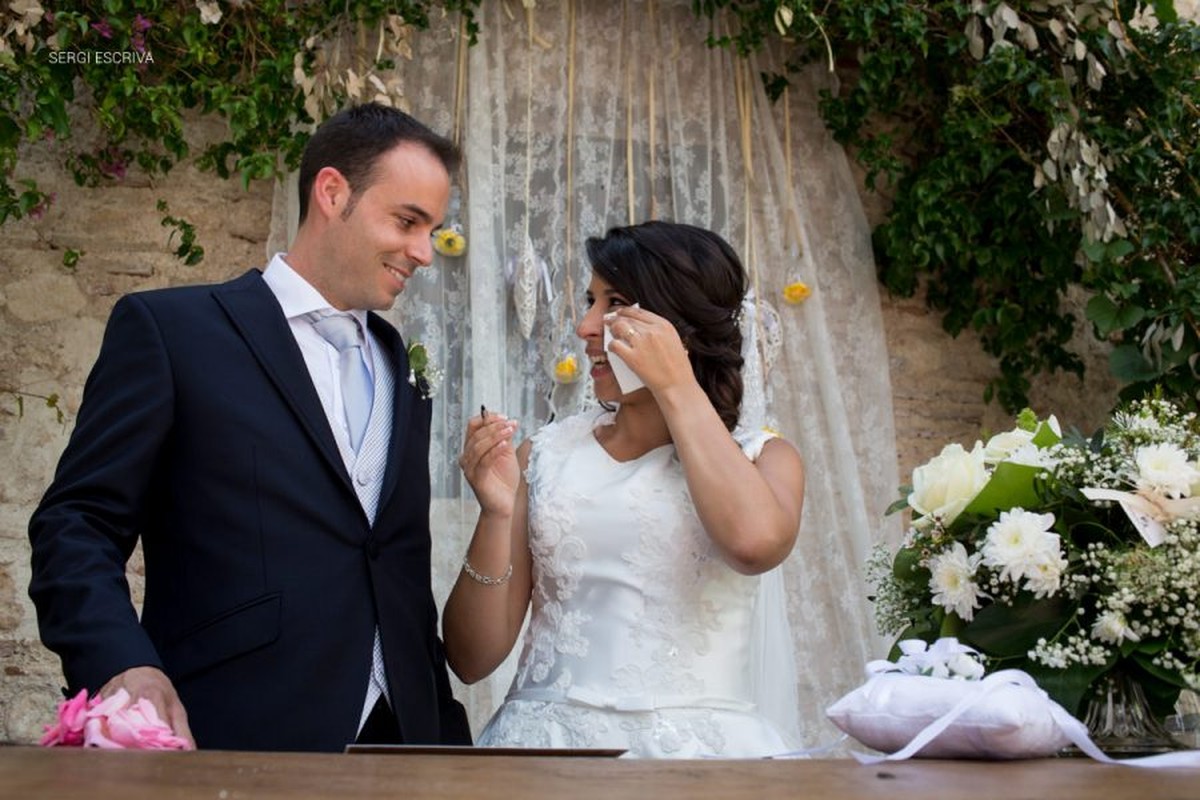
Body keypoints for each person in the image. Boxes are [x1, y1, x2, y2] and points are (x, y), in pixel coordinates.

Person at [27, 102, 471, 752]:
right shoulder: (173, 333)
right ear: (331, 192)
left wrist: (444, 740)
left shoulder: (403, 369)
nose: (423, 253)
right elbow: (76, 526)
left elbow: (394, 568)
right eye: (408, 222)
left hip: (405, 745)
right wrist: (123, 664)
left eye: (433, 229)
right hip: (232, 733)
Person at [445, 220, 806, 757]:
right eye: (591, 301)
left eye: (614, 304)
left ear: (678, 327)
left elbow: (754, 545)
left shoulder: (765, 458)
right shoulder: (544, 456)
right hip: (540, 755)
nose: (586, 325)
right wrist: (496, 515)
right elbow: (470, 659)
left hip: (700, 765)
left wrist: (675, 382)